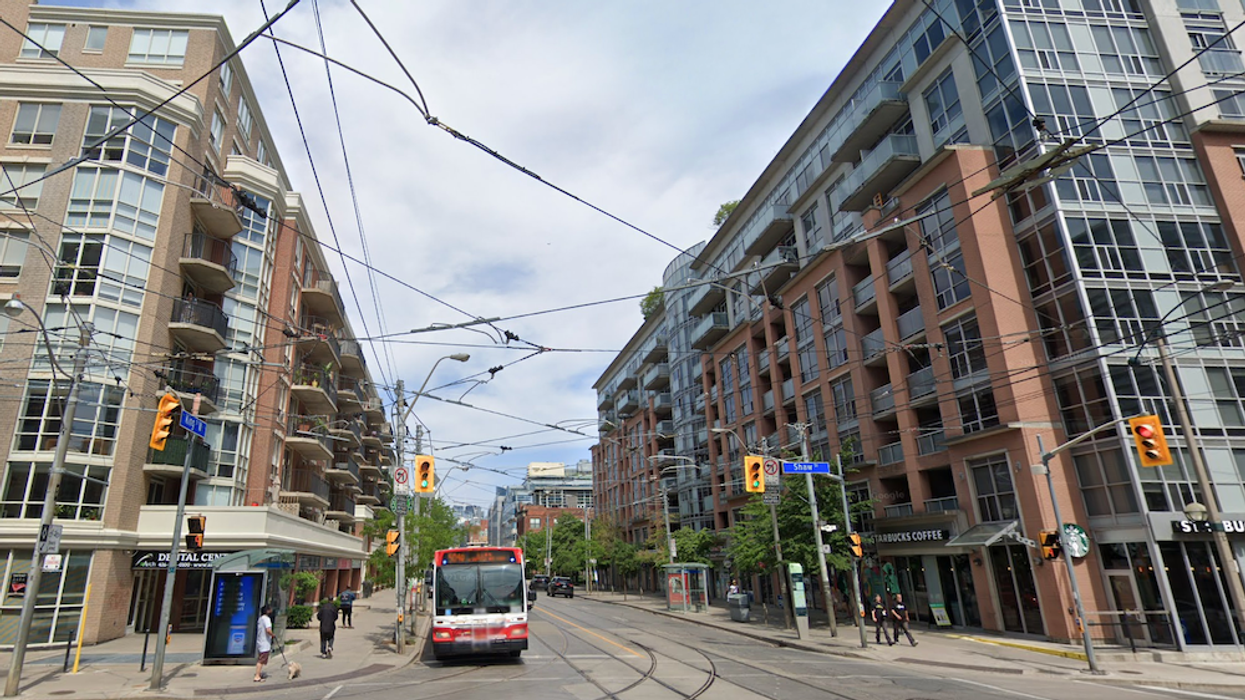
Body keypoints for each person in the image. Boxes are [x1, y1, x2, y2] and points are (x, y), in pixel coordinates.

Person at [254, 604, 274, 682]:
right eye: (270, 610)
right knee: (261, 660)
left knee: (261, 659)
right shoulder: (267, 619)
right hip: (264, 643)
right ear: (267, 611)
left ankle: (258, 673)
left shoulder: (260, 619)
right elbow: (268, 630)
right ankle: (257, 676)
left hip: (260, 642)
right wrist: (272, 635)